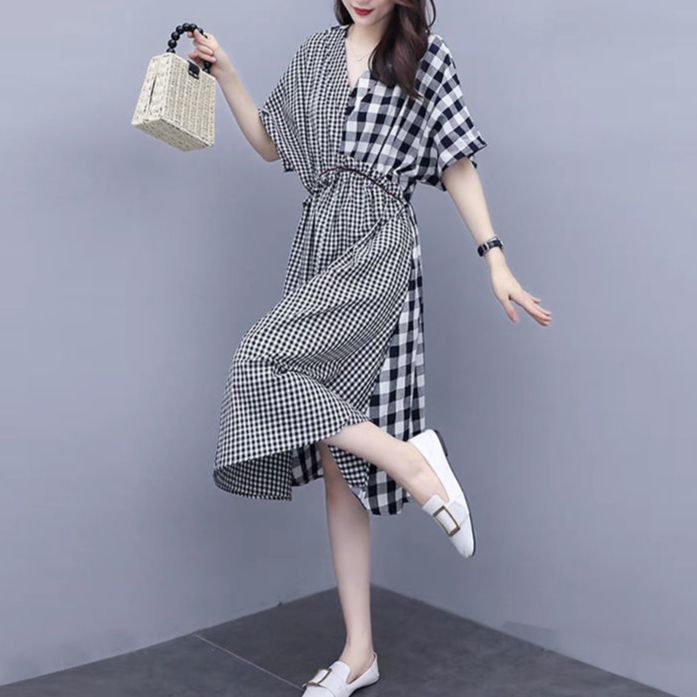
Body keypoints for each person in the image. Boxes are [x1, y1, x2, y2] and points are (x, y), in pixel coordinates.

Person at [187, 1, 551, 694]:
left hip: (379, 241)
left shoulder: (426, 56)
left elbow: (457, 163)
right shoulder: (315, 55)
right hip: (319, 241)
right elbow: (270, 143)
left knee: (259, 362)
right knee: (336, 455)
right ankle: (360, 650)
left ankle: (412, 465)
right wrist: (227, 71)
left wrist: (495, 258)